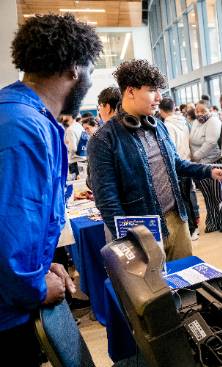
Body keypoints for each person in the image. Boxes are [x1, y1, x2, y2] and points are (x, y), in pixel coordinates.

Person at [0, 14, 102, 366]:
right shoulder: (23, 129)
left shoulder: (22, 115)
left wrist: (44, 267)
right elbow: (9, 232)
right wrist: (37, 287)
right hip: (7, 319)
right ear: (75, 69)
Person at [88, 60, 222, 260]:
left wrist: (208, 171)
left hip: (177, 221)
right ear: (131, 91)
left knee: (187, 283)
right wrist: (129, 240)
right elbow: (108, 201)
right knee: (157, 290)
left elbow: (176, 164)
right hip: (141, 231)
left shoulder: (158, 127)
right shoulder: (103, 139)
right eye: (152, 90)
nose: (159, 97)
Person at [159, 97, 200, 241]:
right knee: (189, 197)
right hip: (187, 162)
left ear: (161, 110)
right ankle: (194, 227)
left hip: (179, 166)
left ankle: (192, 229)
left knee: (184, 199)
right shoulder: (183, 122)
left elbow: (171, 150)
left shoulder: (167, 126)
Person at [190, 101, 222, 233]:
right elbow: (191, 140)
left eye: (203, 111)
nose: (200, 114)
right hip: (200, 165)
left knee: (217, 194)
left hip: (215, 162)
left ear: (210, 110)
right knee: (208, 196)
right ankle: (212, 221)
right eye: (197, 111)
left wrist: (196, 156)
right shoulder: (195, 123)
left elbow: (211, 142)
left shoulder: (214, 121)